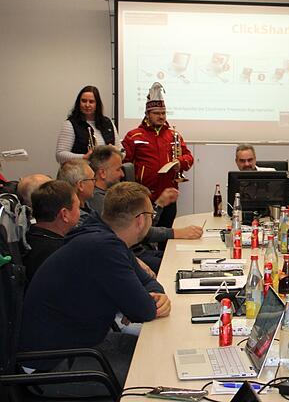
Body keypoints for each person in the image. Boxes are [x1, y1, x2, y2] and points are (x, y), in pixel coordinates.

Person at [19, 182, 170, 390]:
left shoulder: (104, 235)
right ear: (141, 220)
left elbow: (147, 282)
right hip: (50, 368)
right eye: (151, 215)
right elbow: (143, 310)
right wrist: (143, 303)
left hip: (79, 345)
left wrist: (155, 295)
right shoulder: (103, 247)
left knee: (157, 354)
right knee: (154, 376)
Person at [123, 82, 193, 229]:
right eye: (156, 113)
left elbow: (188, 157)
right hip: (143, 197)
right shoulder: (134, 135)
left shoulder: (174, 135)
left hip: (168, 195)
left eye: (163, 113)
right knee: (142, 235)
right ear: (147, 114)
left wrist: (180, 162)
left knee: (165, 237)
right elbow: (124, 164)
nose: (161, 117)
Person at [24, 180, 79, 281]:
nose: (79, 212)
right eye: (78, 207)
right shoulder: (62, 254)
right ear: (64, 214)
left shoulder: (26, 238)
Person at [55, 85, 120, 163]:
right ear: (79, 103)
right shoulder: (70, 124)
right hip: (80, 172)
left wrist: (115, 151)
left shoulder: (108, 123)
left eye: (91, 102)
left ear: (97, 104)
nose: (87, 105)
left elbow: (122, 152)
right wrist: (84, 157)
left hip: (105, 172)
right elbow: (60, 155)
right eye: (84, 101)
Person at [234, 144, 289, 208]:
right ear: (236, 162)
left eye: (250, 160)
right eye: (242, 161)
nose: (247, 164)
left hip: (271, 217)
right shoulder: (233, 182)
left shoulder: (270, 173)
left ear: (255, 159)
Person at [56, 159, 96, 225]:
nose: (95, 183)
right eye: (92, 179)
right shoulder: (75, 222)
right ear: (80, 185)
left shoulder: (88, 206)